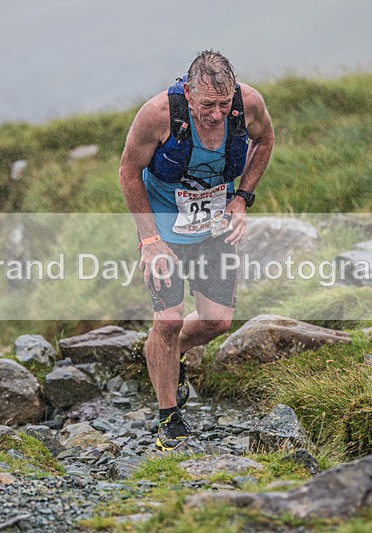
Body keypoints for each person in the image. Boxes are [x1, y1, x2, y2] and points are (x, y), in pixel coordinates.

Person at [119, 50, 274, 450]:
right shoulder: (157, 115)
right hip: (165, 230)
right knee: (169, 321)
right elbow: (128, 172)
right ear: (188, 93)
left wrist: (242, 197)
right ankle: (168, 418)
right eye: (207, 105)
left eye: (223, 104)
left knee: (217, 321)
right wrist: (149, 240)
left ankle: (167, 355)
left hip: (214, 228)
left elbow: (265, 140)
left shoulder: (248, 104)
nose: (217, 115)